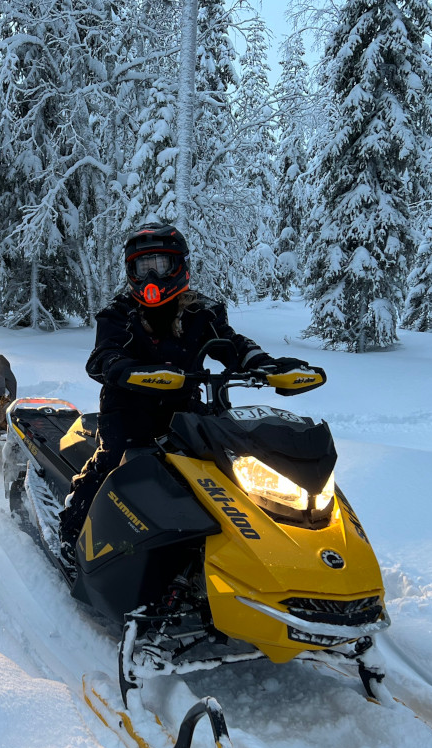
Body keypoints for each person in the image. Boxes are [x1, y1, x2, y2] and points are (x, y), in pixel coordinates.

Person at [56, 222, 311, 563]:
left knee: (232, 465)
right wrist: (123, 369)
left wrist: (264, 364)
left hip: (187, 411)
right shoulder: (119, 314)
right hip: (129, 411)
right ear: (131, 271)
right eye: (143, 267)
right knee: (111, 462)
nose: (151, 276)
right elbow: (104, 354)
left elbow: (230, 343)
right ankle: (72, 534)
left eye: (160, 265)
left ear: (179, 266)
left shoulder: (200, 311)